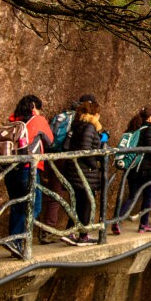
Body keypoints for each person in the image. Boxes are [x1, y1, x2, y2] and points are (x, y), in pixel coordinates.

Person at [2, 95, 53, 258]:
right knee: (34, 205)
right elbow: (50, 141)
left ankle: (14, 241)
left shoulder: (13, 121)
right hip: (28, 168)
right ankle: (15, 240)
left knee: (17, 205)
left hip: (10, 170)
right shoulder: (38, 120)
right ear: (34, 107)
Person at [40, 93, 96, 244]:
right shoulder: (82, 119)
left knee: (55, 195)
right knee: (79, 196)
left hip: (55, 157)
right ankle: (70, 232)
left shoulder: (64, 116)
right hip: (70, 161)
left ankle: (48, 231)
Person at [61, 100, 103, 246]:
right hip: (85, 171)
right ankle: (83, 236)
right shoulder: (90, 127)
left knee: (78, 202)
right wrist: (94, 165)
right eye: (98, 114)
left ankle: (70, 232)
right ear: (94, 114)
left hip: (74, 169)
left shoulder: (77, 125)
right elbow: (86, 149)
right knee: (86, 203)